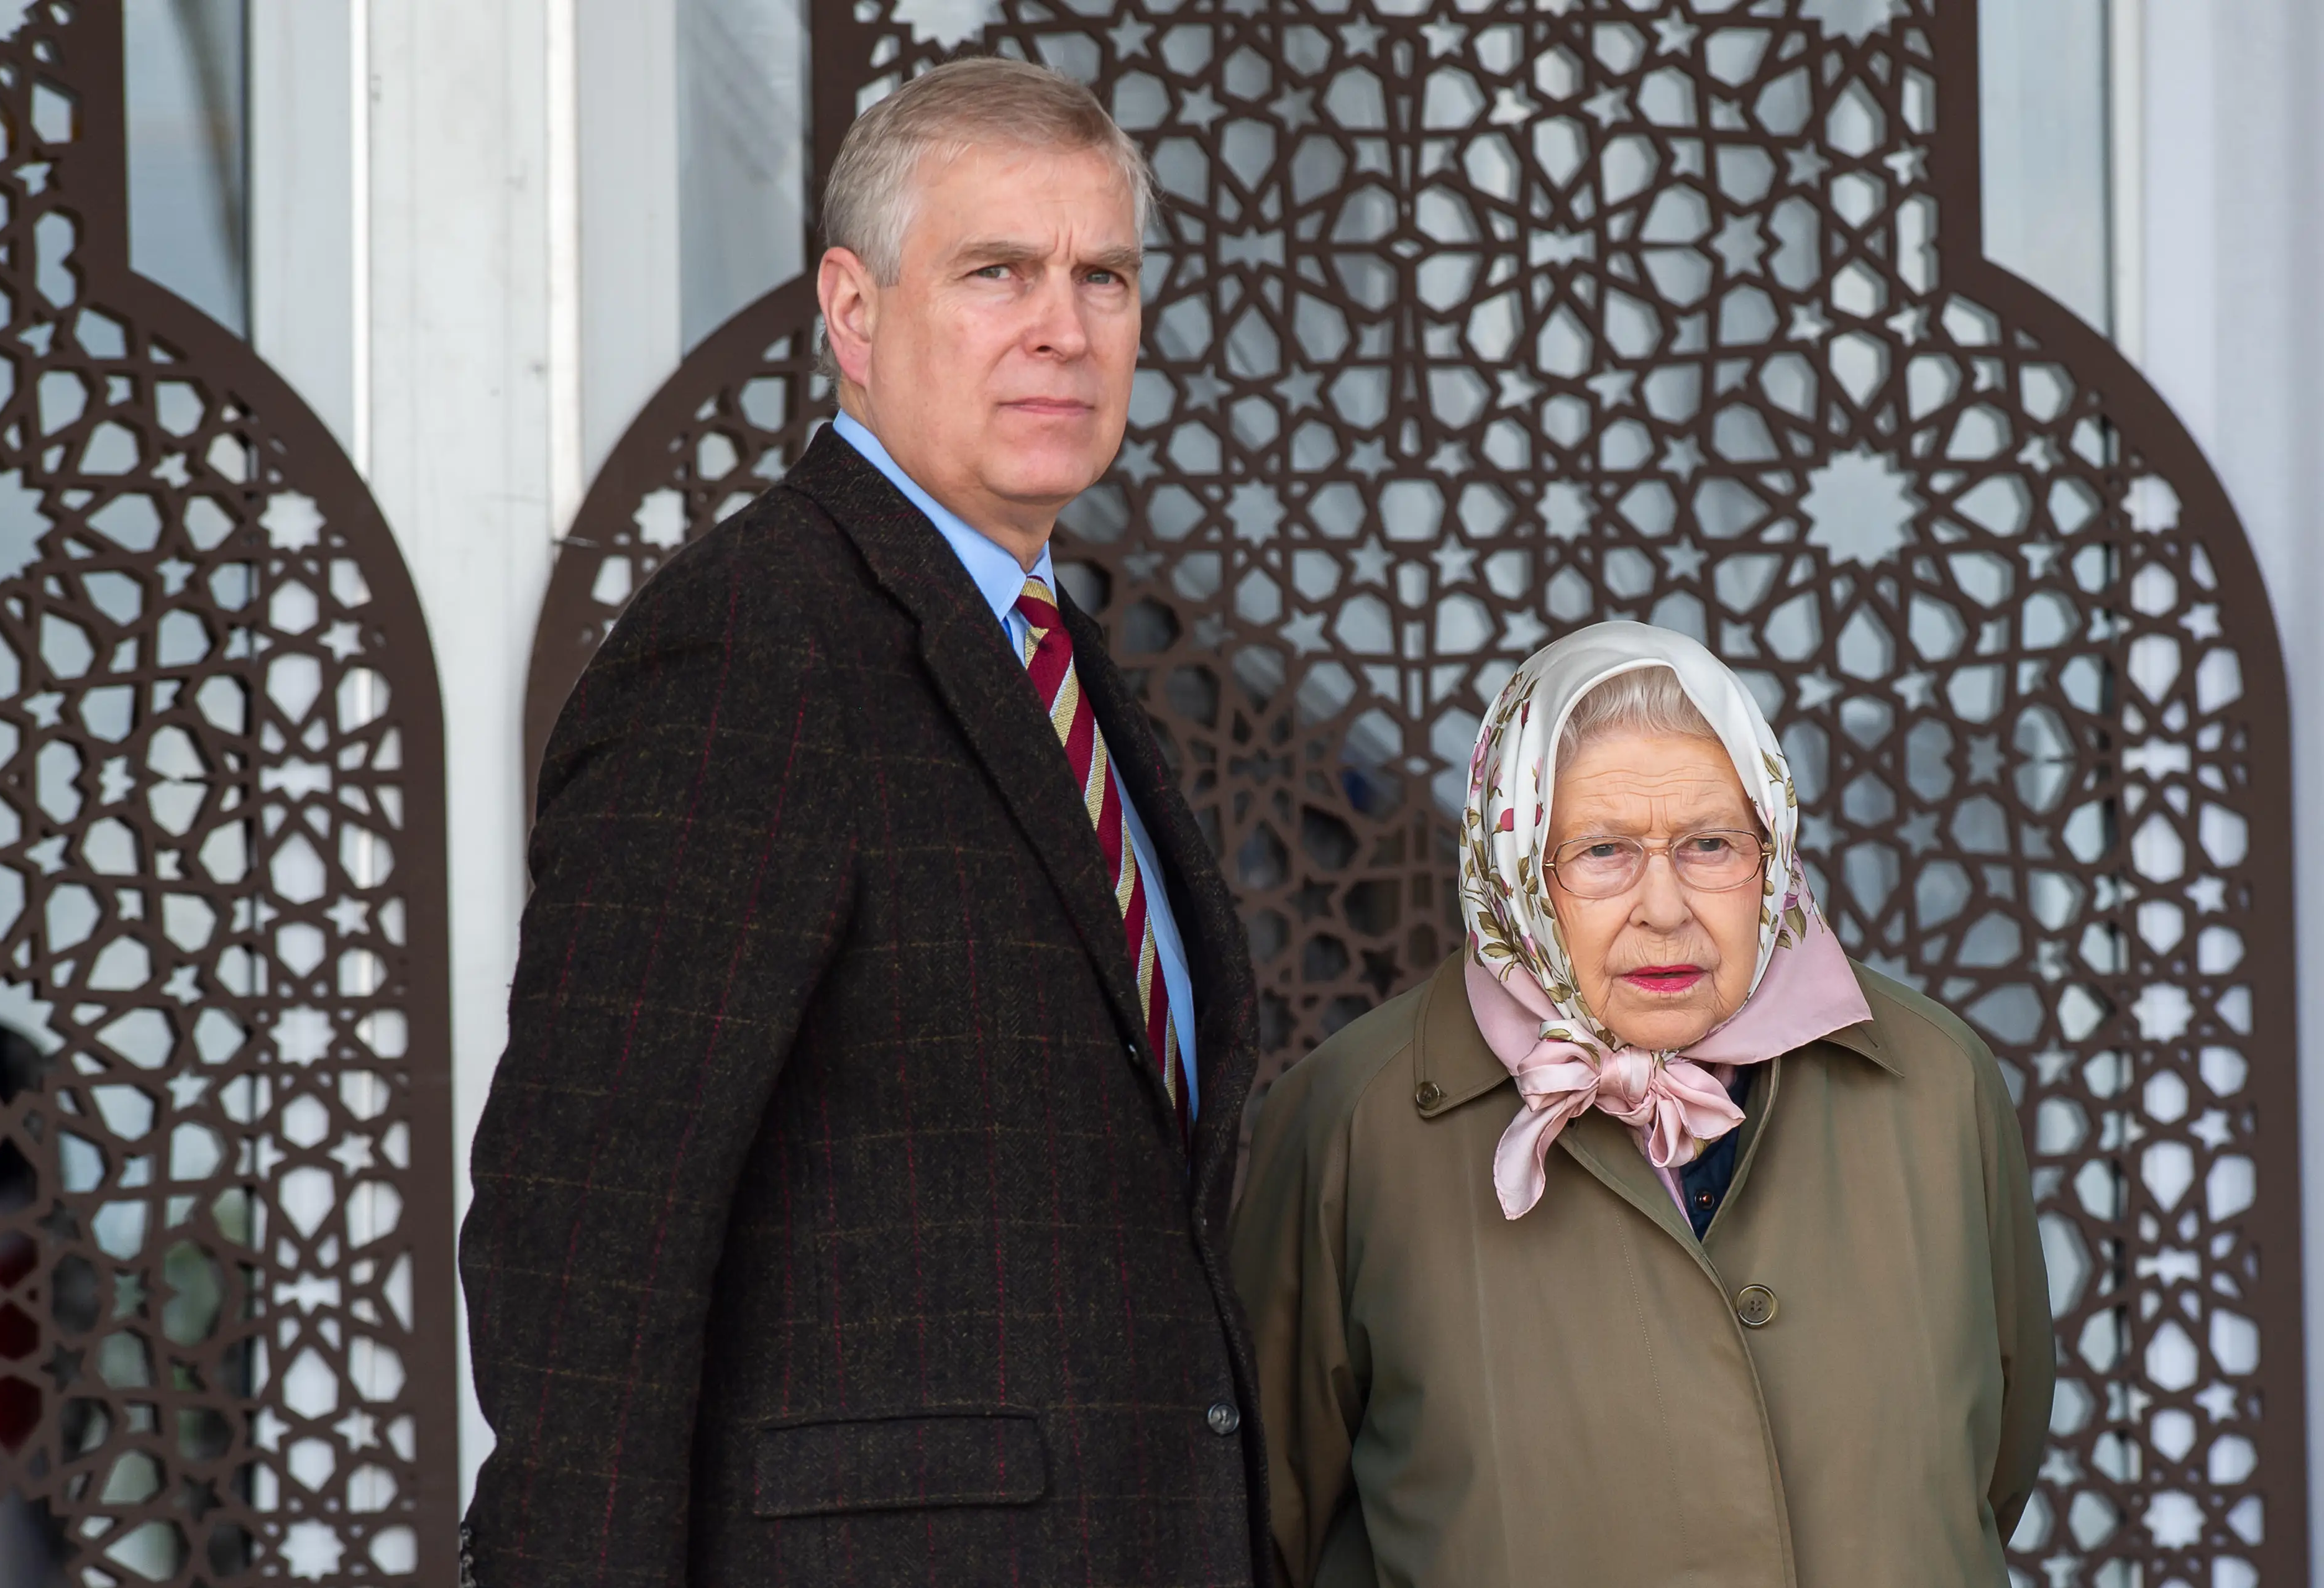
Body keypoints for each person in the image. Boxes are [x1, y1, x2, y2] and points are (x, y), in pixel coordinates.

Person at [459, 58, 1265, 1587]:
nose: (1063, 326)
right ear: (855, 310)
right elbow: (583, 1237)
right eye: (995, 272)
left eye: (1104, 274)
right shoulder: (755, 645)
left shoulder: (1070, 665)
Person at [1232, 621, 2054, 1587]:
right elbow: (1264, 1517)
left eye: (1710, 844)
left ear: (1774, 847)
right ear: (1513, 867)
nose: (1664, 908)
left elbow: (1991, 1471)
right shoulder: (1355, 1120)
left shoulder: (1935, 1079)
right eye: (1602, 852)